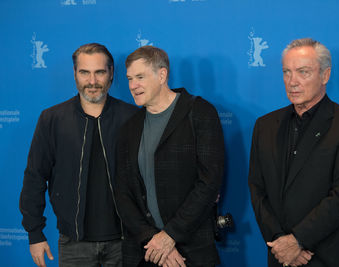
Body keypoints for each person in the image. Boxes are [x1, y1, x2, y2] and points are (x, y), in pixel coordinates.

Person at [248, 38, 339, 267]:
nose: (292, 81)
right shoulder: (264, 126)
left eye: (303, 72)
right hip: (281, 256)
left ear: (325, 75)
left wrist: (298, 240)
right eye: (287, 72)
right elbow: (257, 188)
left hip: (329, 256)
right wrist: (280, 241)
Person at [19, 43, 138, 267]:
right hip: (73, 244)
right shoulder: (52, 119)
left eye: (99, 72)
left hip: (126, 242)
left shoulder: (132, 118)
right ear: (75, 74)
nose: (92, 81)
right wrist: (34, 233)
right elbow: (34, 177)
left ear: (111, 73)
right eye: (85, 72)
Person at [115, 46, 224, 267]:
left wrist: (169, 236)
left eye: (140, 77)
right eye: (129, 79)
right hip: (144, 253)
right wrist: (151, 240)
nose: (133, 85)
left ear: (162, 75)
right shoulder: (129, 128)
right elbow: (122, 193)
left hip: (191, 252)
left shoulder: (200, 113)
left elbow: (209, 183)